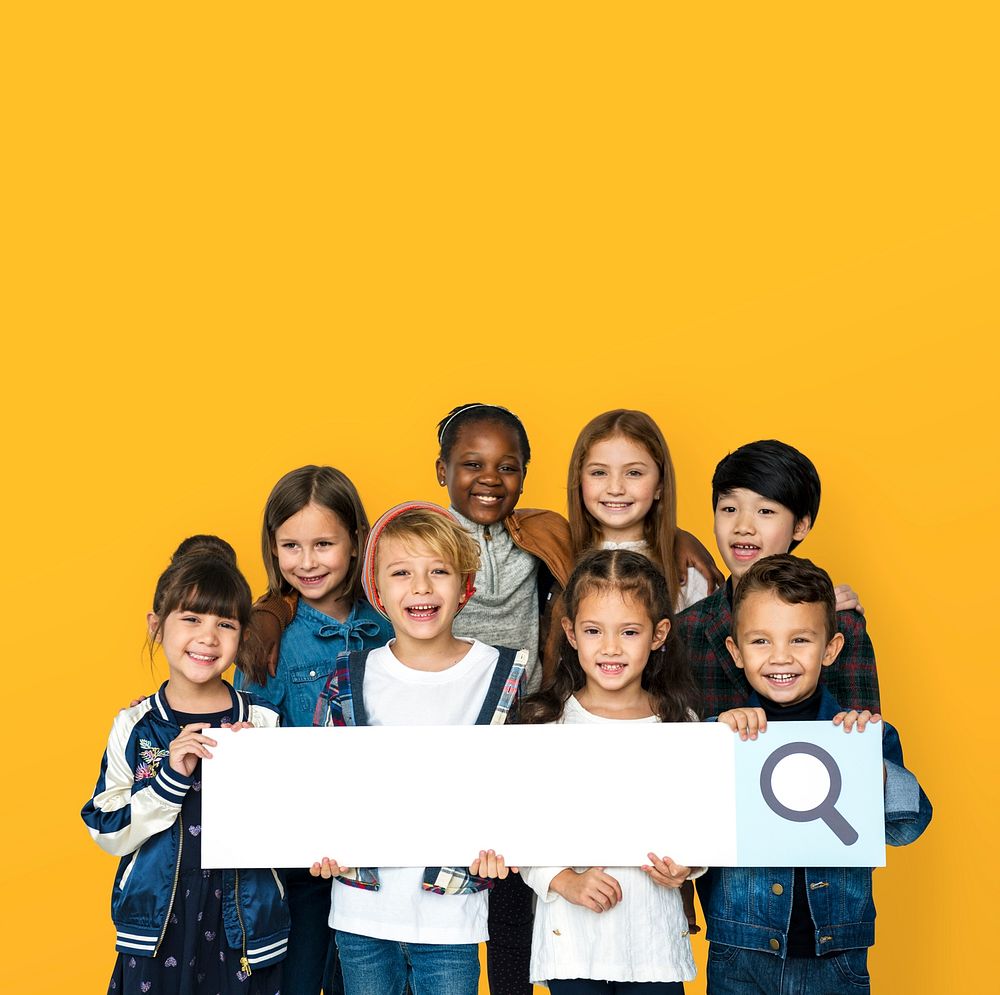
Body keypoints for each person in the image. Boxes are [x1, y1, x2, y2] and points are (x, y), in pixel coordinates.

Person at [309, 501, 523, 995]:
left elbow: (514, 786)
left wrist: (504, 844)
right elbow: (321, 781)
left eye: (438, 571)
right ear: (377, 590)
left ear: (465, 585)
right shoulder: (349, 675)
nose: (421, 587)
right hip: (362, 911)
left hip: (452, 915)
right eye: (402, 572)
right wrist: (318, 840)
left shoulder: (501, 673)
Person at [699, 555, 932, 994]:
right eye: (761, 642)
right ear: (736, 652)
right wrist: (716, 738)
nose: (780, 657)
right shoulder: (721, 734)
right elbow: (688, 824)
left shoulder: (862, 734)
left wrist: (871, 769)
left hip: (837, 956)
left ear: (831, 648)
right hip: (740, 952)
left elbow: (909, 827)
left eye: (800, 639)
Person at [82, 543, 289, 995]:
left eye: (225, 624)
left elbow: (294, 827)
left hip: (245, 929)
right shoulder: (135, 725)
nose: (208, 637)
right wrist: (169, 781)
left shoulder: (264, 720)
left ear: (243, 634)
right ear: (156, 626)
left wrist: (262, 774)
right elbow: (105, 827)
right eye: (192, 619)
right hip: (156, 928)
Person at [236, 465, 392, 995]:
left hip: (385, 855)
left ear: (356, 542)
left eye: (324, 543)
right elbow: (248, 742)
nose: (306, 562)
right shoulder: (269, 638)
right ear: (272, 548)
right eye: (290, 546)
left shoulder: (392, 625)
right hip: (304, 861)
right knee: (299, 978)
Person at [519, 548, 702, 993]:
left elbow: (700, 822)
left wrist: (688, 868)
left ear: (659, 634)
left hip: (654, 940)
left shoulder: (683, 725)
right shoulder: (546, 723)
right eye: (594, 630)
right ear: (571, 633)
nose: (611, 648)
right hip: (573, 940)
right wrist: (563, 879)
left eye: (630, 632)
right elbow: (522, 824)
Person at [675, 440, 879, 717]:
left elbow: (863, 743)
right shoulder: (686, 630)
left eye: (765, 511)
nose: (743, 527)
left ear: (800, 526)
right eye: (729, 509)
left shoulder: (841, 623)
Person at [567, 409, 723, 615]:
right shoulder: (556, 554)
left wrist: (674, 538)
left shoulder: (686, 572)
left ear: (660, 485)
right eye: (599, 472)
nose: (615, 488)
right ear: (579, 480)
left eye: (634, 473)